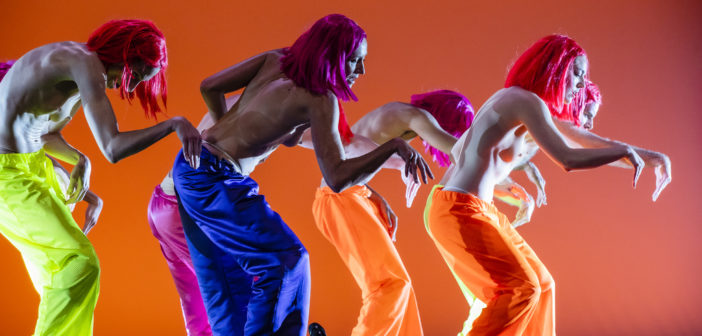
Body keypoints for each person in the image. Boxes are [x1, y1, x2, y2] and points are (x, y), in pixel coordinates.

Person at [173, 14, 431, 336]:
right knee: (288, 262)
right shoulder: (321, 99)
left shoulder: (276, 59)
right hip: (215, 179)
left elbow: (209, 87)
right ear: (332, 56)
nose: (361, 72)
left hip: (190, 169)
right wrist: (394, 147)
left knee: (234, 284)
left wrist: (225, 128)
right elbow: (337, 177)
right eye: (354, 61)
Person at [423, 34, 671, 335]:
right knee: (520, 289)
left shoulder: (522, 102)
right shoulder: (523, 100)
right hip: (459, 209)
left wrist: (652, 157)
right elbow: (567, 157)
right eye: (577, 74)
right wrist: (626, 154)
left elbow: (590, 141)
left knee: (543, 286)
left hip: (473, 207)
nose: (581, 85)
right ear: (556, 68)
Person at [0, 19, 200, 336]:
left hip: (31, 164)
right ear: (124, 52)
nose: (129, 88)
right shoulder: (84, 64)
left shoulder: (78, 66)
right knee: (79, 264)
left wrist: (81, 160)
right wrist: (174, 124)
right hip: (6, 176)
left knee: (56, 276)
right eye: (133, 75)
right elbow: (113, 148)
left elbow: (45, 133)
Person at [306, 90, 473, 335]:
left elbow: (352, 154)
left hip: (349, 195)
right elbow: (458, 151)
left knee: (399, 287)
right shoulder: (415, 116)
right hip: (339, 199)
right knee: (390, 285)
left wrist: (373, 195)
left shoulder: (398, 114)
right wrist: (504, 160)